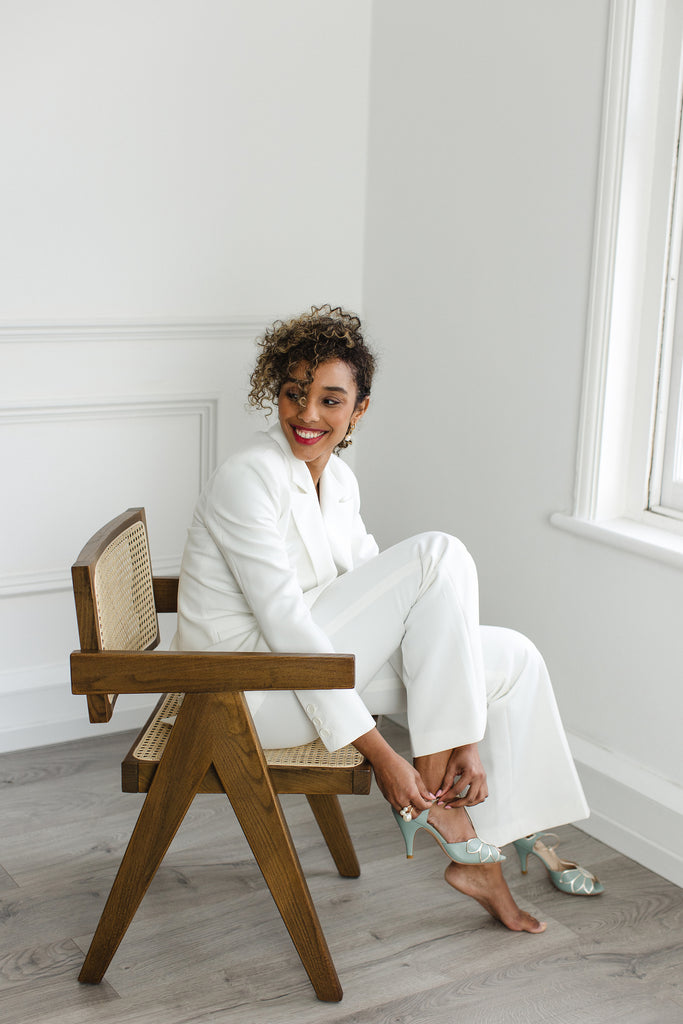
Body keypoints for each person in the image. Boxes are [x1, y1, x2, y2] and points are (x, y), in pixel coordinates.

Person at [171, 304, 602, 933]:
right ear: (275, 392)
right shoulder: (248, 477)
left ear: (359, 409)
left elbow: (404, 605)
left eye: (330, 400)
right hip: (246, 690)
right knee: (438, 555)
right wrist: (382, 756)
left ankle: (485, 845)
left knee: (514, 657)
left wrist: (468, 735)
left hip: (309, 669)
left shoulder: (339, 481)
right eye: (293, 394)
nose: (307, 415)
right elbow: (287, 626)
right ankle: (443, 813)